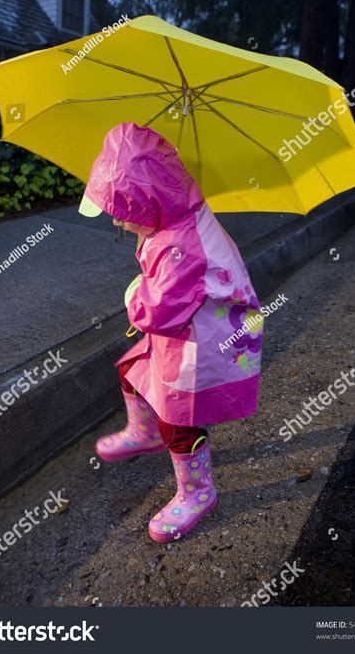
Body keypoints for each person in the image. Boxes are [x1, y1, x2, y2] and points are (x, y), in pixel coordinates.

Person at [79, 122, 263, 542]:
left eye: (124, 215)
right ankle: (143, 433)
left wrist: (134, 296)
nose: (120, 225)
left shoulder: (178, 244)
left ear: (149, 201)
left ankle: (198, 491)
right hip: (190, 325)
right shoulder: (173, 219)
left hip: (207, 340)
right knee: (132, 369)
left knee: (178, 417)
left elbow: (160, 309)